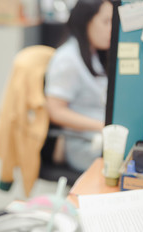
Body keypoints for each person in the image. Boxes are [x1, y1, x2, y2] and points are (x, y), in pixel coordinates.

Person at [44, 0, 113, 172]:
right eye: (106, 22)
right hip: (82, 144)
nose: (112, 28)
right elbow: (56, 111)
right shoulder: (67, 59)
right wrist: (102, 126)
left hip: (98, 138)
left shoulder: (94, 54)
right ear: (86, 21)